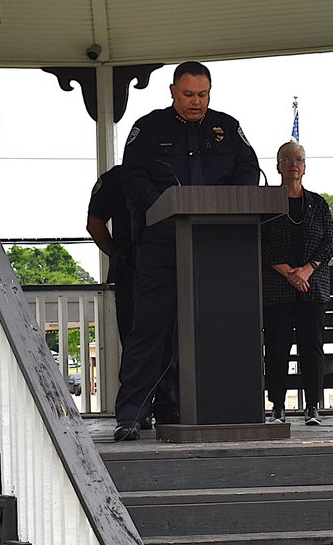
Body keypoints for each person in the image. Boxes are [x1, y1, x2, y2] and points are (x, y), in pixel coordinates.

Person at [113, 61, 259, 441]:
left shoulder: (227, 128)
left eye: (203, 95)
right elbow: (132, 177)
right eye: (189, 94)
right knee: (150, 328)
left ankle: (217, 410)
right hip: (163, 241)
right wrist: (163, 205)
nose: (196, 102)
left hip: (215, 243)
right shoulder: (148, 128)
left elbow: (248, 171)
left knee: (218, 326)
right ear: (173, 92)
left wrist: (226, 206)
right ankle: (132, 414)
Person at [261, 141, 333, 426]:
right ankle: (277, 407)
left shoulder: (318, 203)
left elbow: (328, 243)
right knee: (277, 346)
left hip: (312, 286)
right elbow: (259, 241)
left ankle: (312, 406)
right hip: (277, 287)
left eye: (299, 159)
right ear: (278, 166)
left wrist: (306, 270)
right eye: (288, 159)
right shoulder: (267, 203)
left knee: (311, 347)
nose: (294, 164)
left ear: (305, 167)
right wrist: (288, 273)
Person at [86, 164, 143, 423]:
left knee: (139, 341)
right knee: (143, 341)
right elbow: (94, 223)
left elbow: (94, 224)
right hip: (140, 268)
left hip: (147, 268)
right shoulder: (117, 178)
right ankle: (153, 408)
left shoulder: (118, 177)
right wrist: (116, 253)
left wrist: (115, 252)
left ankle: (146, 409)